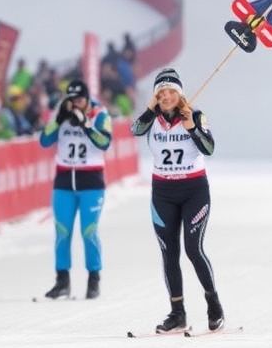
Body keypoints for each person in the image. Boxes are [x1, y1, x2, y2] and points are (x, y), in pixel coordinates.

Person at [131, 68, 224, 333]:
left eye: (171, 91)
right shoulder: (151, 119)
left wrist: (192, 128)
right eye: (161, 92)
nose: (167, 96)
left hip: (194, 191)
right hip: (163, 194)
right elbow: (136, 130)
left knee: (193, 250)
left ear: (180, 94)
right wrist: (150, 108)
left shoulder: (195, 115)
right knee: (169, 253)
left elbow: (209, 148)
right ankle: (177, 313)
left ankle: (214, 305)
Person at [39, 79, 113, 300]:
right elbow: (44, 140)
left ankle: (94, 279)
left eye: (80, 99)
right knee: (62, 232)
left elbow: (104, 143)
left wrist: (86, 125)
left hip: (91, 182)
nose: (76, 104)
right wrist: (58, 119)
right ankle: (62, 281)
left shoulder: (100, 114)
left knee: (89, 232)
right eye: (72, 99)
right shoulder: (61, 111)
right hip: (64, 181)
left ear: (87, 98)